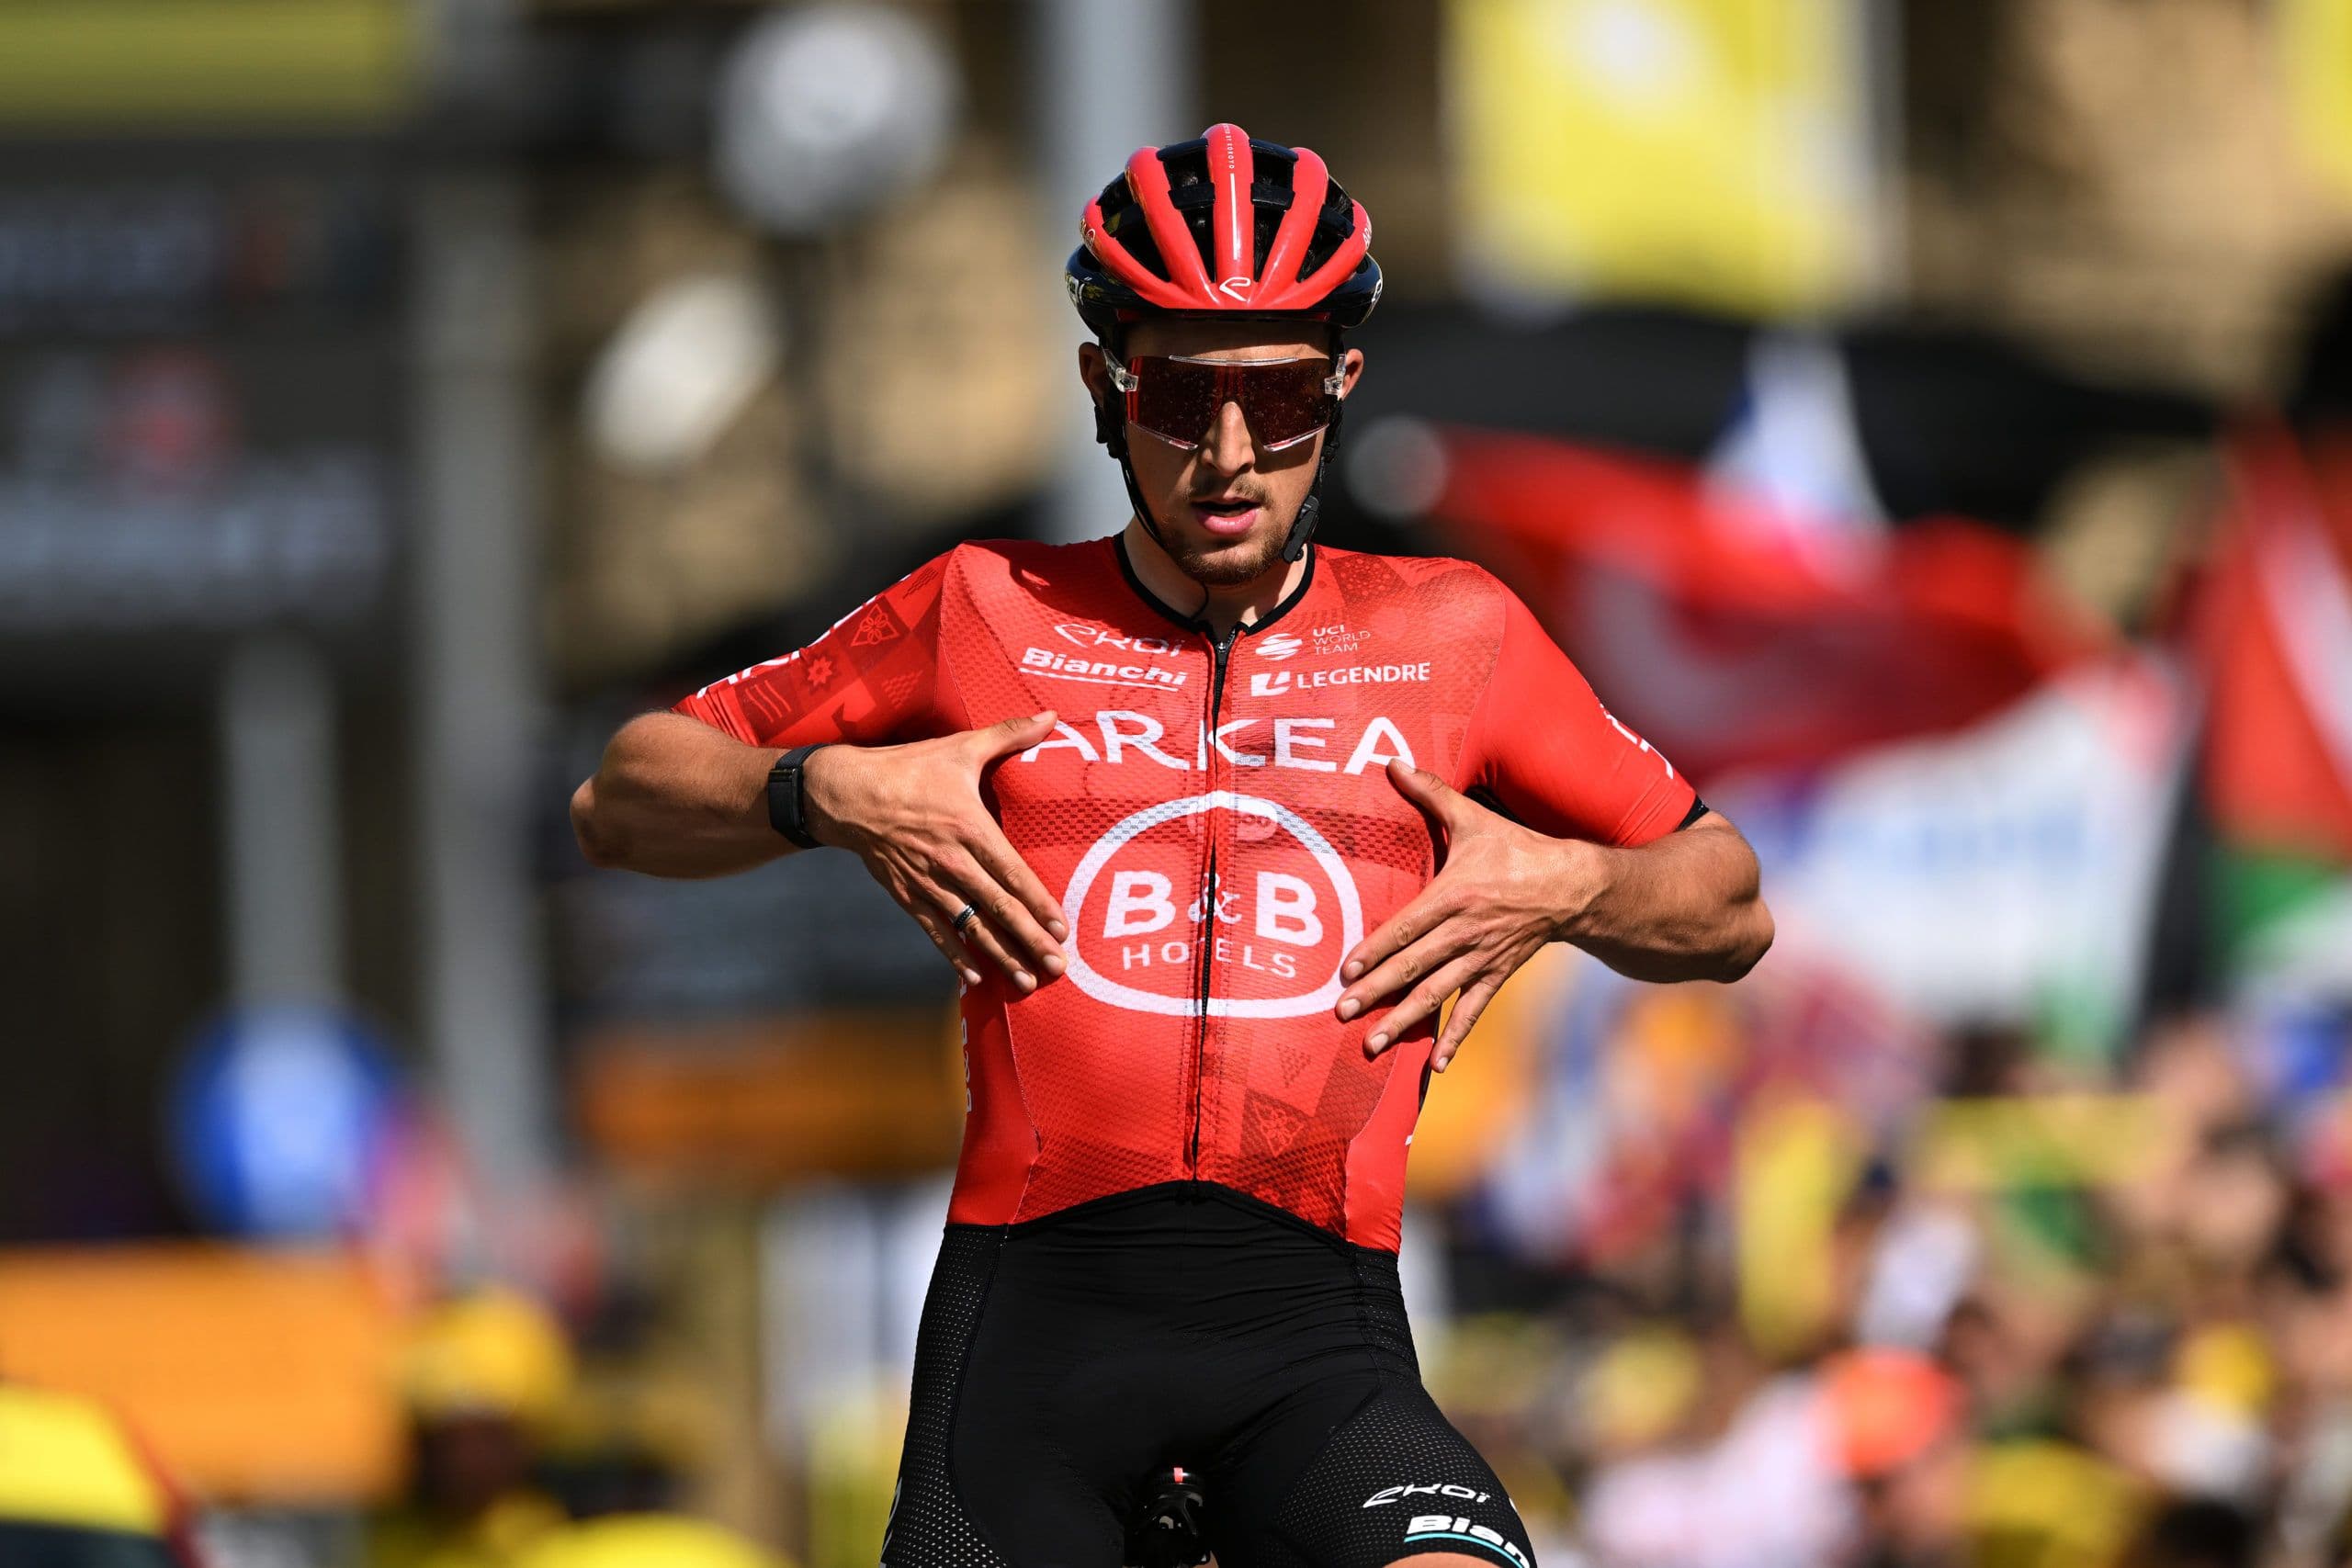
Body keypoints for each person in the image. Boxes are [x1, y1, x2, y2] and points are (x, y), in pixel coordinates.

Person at [573, 123, 1772, 1568]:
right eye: (1178, 393)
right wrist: (819, 791)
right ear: (1105, 384)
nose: (1225, 455)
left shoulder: (1458, 631)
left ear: (1341, 389)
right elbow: (623, 795)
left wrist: (1576, 883)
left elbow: (1728, 906)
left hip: (1317, 1342)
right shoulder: (982, 606)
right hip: (1035, 1343)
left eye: (1274, 399)